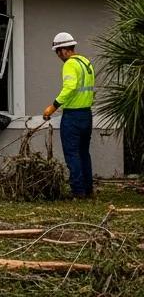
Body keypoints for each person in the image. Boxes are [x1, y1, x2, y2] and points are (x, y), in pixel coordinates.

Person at [43, 31, 95, 199]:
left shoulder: (70, 64)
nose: (59, 56)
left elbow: (70, 87)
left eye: (58, 52)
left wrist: (53, 106)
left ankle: (78, 191)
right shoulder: (86, 62)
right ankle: (88, 190)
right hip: (86, 114)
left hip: (73, 116)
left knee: (72, 154)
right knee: (83, 153)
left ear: (64, 50)